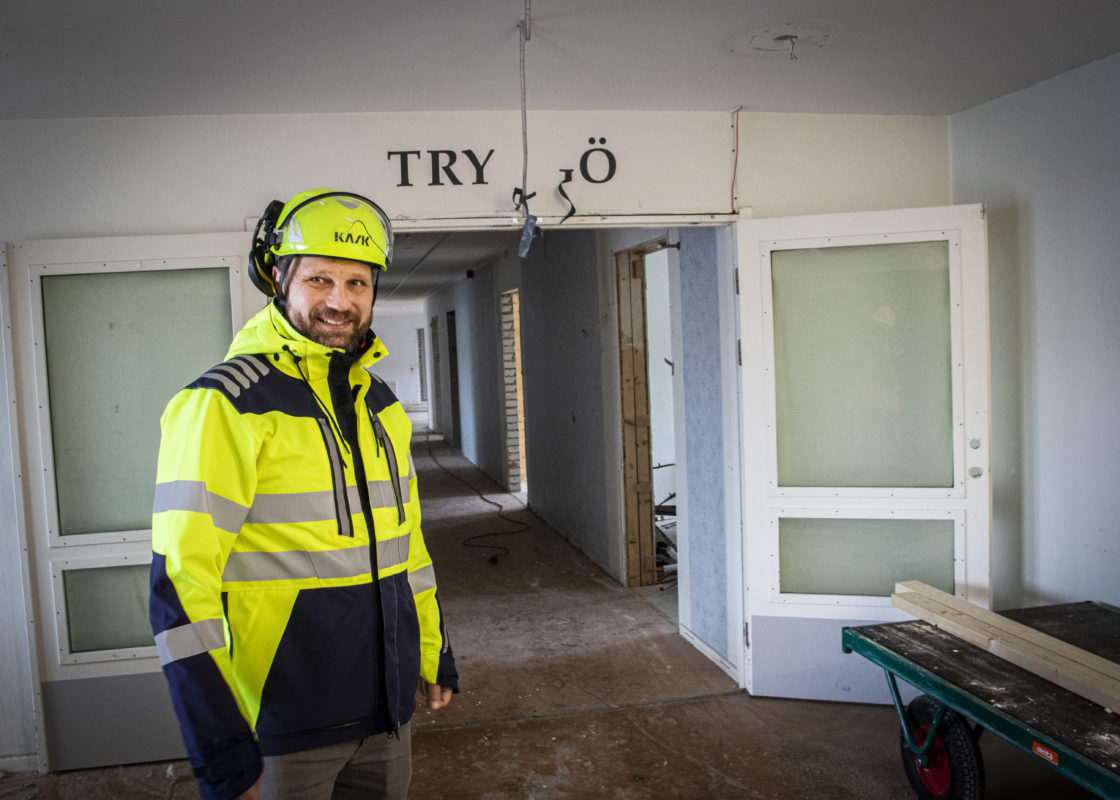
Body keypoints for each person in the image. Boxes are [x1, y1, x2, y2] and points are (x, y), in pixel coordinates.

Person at [150, 189, 458, 800]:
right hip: (282, 727)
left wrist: (433, 652)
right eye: (319, 278)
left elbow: (408, 549)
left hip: (387, 717)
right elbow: (181, 586)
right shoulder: (224, 404)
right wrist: (219, 742)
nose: (340, 301)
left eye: (357, 283)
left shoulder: (382, 405)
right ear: (279, 280)